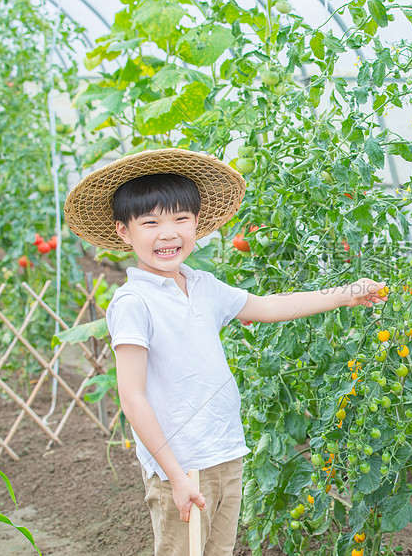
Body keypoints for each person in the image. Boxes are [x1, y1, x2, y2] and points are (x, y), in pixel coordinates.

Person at [64, 148, 386, 556]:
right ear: (124, 233)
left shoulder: (204, 285)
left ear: (197, 224)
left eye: (181, 219)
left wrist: (346, 294)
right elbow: (132, 396)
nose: (168, 233)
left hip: (225, 452)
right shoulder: (134, 303)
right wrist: (176, 476)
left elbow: (269, 307)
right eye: (151, 223)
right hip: (179, 465)